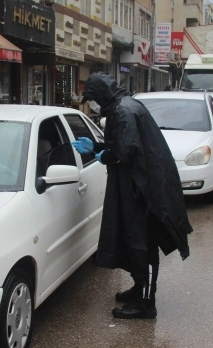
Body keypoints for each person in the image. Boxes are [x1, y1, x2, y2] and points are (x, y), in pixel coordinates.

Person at [72, 72, 192, 319]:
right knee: (135, 241)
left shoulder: (122, 111)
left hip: (140, 192)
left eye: (93, 98)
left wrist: (103, 155)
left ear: (102, 94)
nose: (93, 104)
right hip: (137, 187)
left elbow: (125, 152)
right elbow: (124, 145)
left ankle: (146, 304)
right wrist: (97, 147)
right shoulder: (125, 105)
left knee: (141, 244)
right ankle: (140, 290)